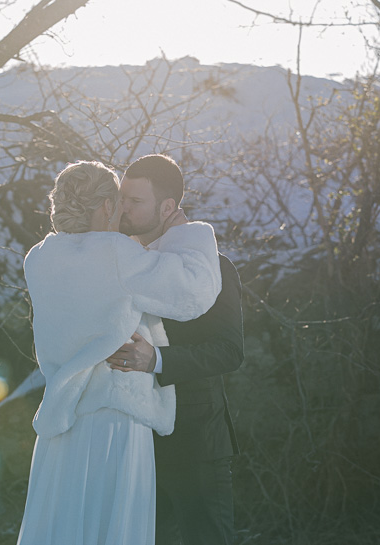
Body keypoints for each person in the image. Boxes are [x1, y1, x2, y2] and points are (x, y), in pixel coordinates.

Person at [16, 160, 222, 545]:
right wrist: (184, 235)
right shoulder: (114, 252)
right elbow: (194, 291)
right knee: (114, 529)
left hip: (64, 419)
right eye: (117, 199)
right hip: (114, 416)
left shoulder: (39, 259)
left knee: (64, 528)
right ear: (105, 206)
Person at [106, 154, 244, 545]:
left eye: (135, 202)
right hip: (135, 439)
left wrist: (158, 360)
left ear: (168, 208)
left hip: (196, 442)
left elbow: (229, 351)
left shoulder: (214, 268)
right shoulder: (128, 264)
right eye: (122, 199)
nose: (123, 209)